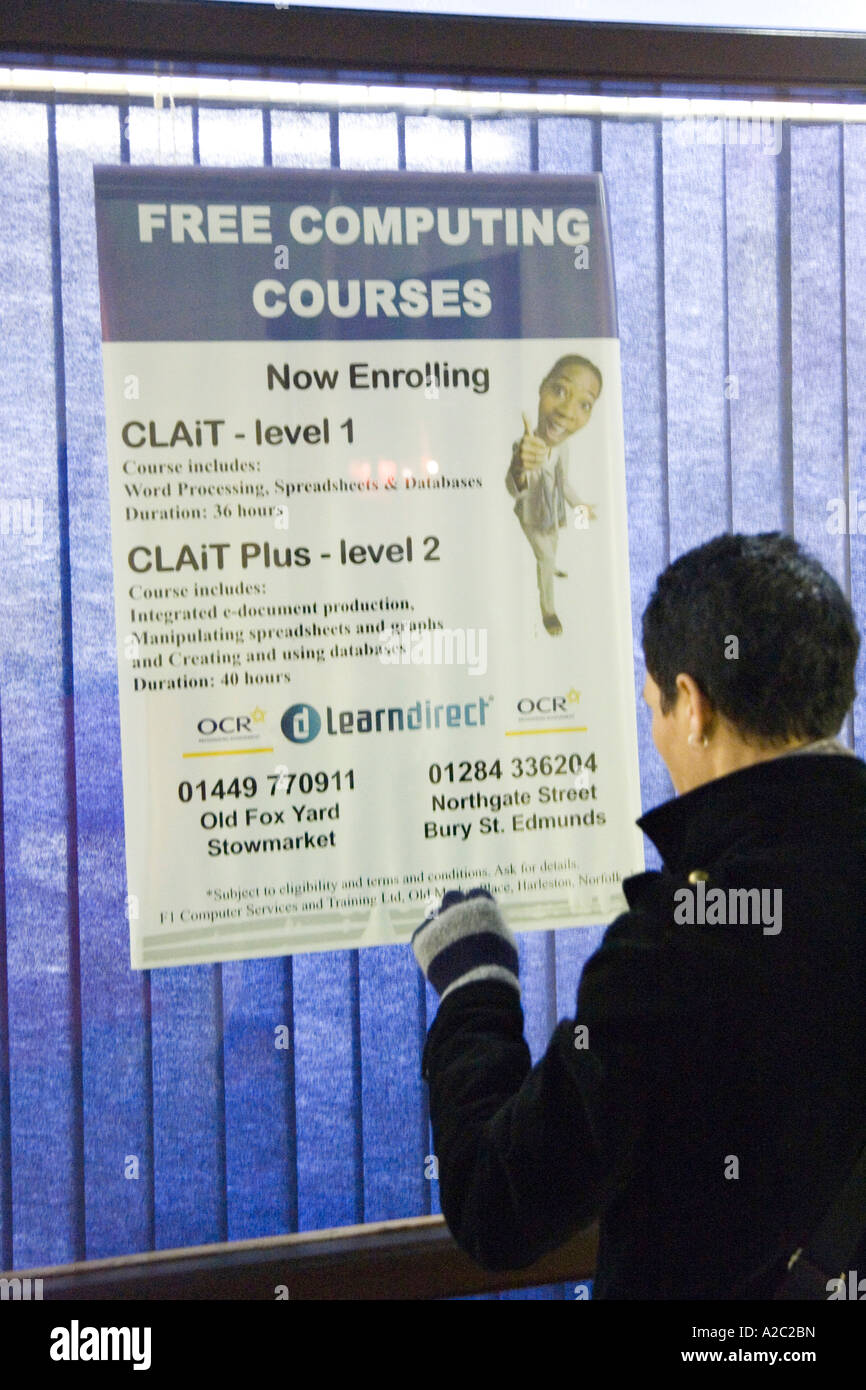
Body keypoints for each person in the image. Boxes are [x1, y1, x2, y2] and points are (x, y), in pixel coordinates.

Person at [412, 532, 866, 1298]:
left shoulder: (680, 944)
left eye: (652, 701)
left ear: (692, 706)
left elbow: (502, 1206)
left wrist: (474, 990)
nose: (656, 731)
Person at [506, 355, 601, 635]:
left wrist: (579, 505)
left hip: (553, 513)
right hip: (532, 515)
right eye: (559, 391)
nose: (567, 411)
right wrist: (520, 466)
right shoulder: (523, 445)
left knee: (553, 546)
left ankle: (550, 565)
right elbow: (513, 487)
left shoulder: (564, 448)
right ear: (542, 388)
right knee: (545, 558)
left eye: (584, 404)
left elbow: (564, 483)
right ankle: (548, 609)